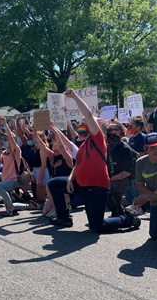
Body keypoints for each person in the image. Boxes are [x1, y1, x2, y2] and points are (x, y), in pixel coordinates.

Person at [48, 89, 140, 232]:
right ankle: (63, 217)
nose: (81, 125)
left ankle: (127, 219)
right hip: (82, 185)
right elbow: (77, 165)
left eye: (84, 123)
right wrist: (70, 180)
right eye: (81, 123)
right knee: (54, 184)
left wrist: (74, 97)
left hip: (96, 189)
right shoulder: (83, 144)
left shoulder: (98, 140)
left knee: (97, 226)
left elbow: (89, 115)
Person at [0, 120, 39, 216]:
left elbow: (12, 139)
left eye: (7, 140)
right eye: (4, 140)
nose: (5, 141)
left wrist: (6, 126)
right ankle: (30, 206)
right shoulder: (4, 152)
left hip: (13, 180)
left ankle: (10, 207)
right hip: (5, 179)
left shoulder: (16, 150)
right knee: (8, 205)